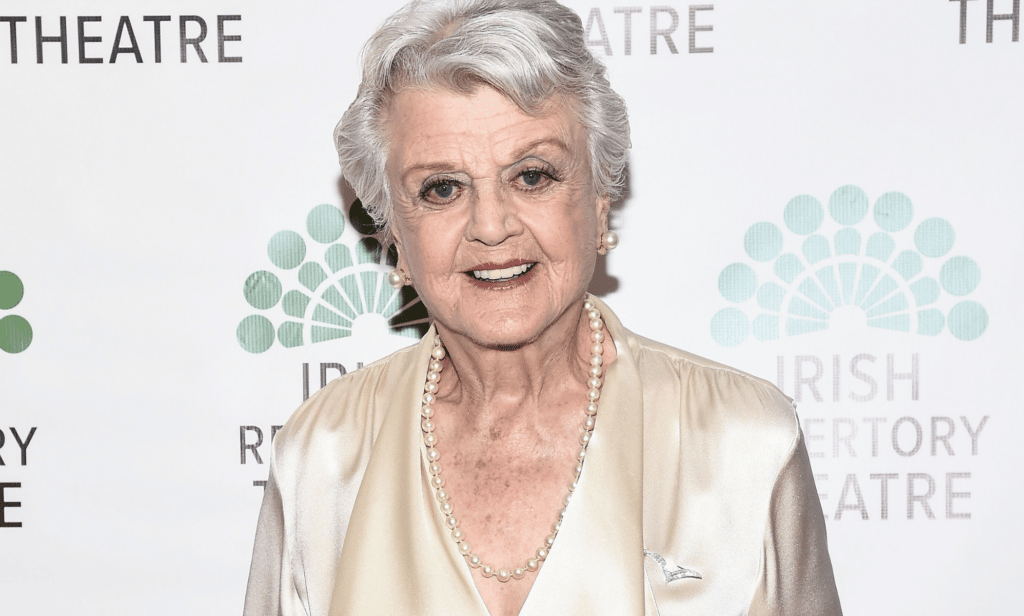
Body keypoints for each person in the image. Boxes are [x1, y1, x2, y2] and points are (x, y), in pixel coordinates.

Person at [243, 0, 842, 614]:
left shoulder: (745, 440)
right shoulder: (322, 457)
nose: (492, 226)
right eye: (442, 188)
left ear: (602, 201)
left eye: (531, 176)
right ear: (393, 231)